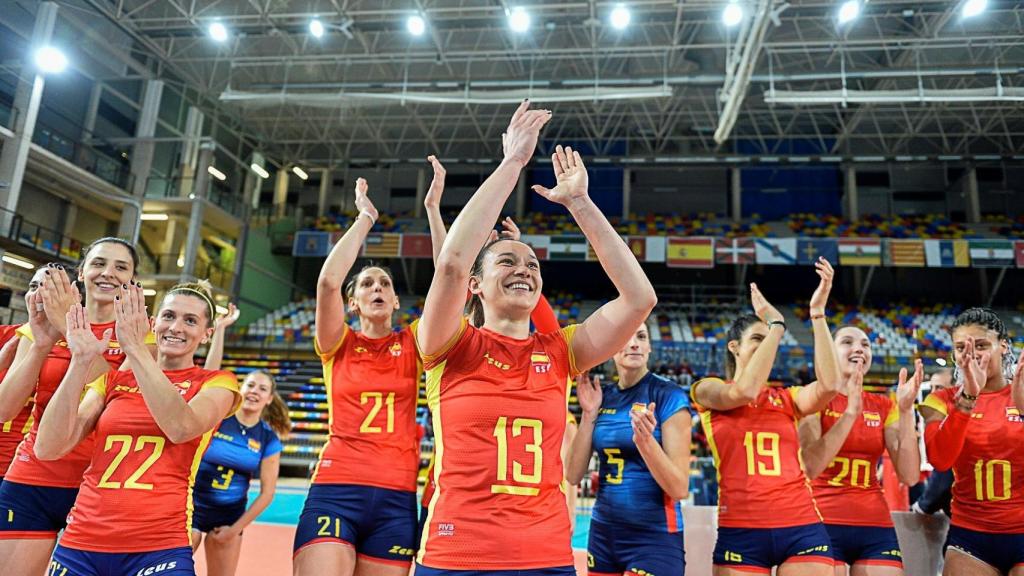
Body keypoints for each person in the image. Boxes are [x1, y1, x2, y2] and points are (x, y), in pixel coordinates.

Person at [415, 101, 657, 575]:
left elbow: (639, 298)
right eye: (506, 262)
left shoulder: (561, 349)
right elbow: (450, 262)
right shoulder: (450, 345)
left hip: (545, 558)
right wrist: (513, 163)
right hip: (455, 556)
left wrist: (580, 204)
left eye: (532, 265)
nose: (523, 269)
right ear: (476, 286)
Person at [36, 281, 240, 576]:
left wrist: (136, 349)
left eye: (190, 320)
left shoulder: (216, 382)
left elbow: (181, 428)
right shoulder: (112, 382)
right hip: (82, 540)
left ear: (207, 334)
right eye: (169, 316)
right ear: (154, 323)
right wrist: (80, 362)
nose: (176, 327)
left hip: (158, 545)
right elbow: (48, 447)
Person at [0, 239, 154, 576]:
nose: (108, 273)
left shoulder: (142, 335)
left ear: (132, 280)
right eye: (99, 263)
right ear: (82, 272)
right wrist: (43, 342)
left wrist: (73, 335)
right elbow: (4, 409)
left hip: (97, 486)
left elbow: (117, 398)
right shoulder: (42, 324)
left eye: (121, 267)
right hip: (32, 475)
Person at [293, 178, 422, 576]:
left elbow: (450, 285)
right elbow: (328, 282)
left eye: (385, 283)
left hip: (397, 494)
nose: (377, 288)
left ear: (396, 301)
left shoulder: (416, 341)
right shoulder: (338, 343)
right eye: (367, 284)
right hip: (337, 487)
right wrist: (366, 218)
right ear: (353, 302)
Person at [691, 259, 840, 576]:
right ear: (734, 347)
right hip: (742, 530)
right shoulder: (707, 390)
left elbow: (829, 385)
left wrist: (817, 315)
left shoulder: (786, 397)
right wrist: (776, 324)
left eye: (768, 339)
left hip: (801, 525)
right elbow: (743, 392)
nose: (766, 344)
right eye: (756, 339)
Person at [568, 321, 692, 576]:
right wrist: (589, 413)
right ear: (611, 347)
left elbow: (679, 488)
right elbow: (572, 474)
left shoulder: (669, 395)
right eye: (626, 336)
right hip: (604, 534)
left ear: (649, 348)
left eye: (642, 336)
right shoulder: (601, 398)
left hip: (654, 538)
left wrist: (646, 442)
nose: (634, 343)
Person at [799, 325, 923, 574]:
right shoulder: (812, 398)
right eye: (847, 342)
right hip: (819, 521)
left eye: (865, 344)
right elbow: (810, 468)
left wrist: (907, 410)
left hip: (874, 525)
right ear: (830, 352)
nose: (859, 348)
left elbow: (909, 475)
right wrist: (850, 412)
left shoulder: (884, 405)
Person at [919, 308, 1024, 576]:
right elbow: (940, 459)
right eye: (961, 347)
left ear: (1002, 347)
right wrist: (967, 398)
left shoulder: (1020, 393)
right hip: (970, 536)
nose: (972, 354)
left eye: (981, 345)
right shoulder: (941, 401)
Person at [191, 369, 291, 576]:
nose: (255, 391)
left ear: (269, 399)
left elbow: (267, 493)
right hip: (191, 509)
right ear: (241, 389)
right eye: (251, 385)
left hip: (229, 517)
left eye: (262, 389)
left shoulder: (268, 439)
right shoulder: (217, 420)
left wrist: (234, 530)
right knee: (176, 558)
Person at [0, 267, 49, 484]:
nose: (38, 294)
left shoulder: (79, 348)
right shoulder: (4, 336)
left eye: (50, 289)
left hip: (28, 472)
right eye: (33, 286)